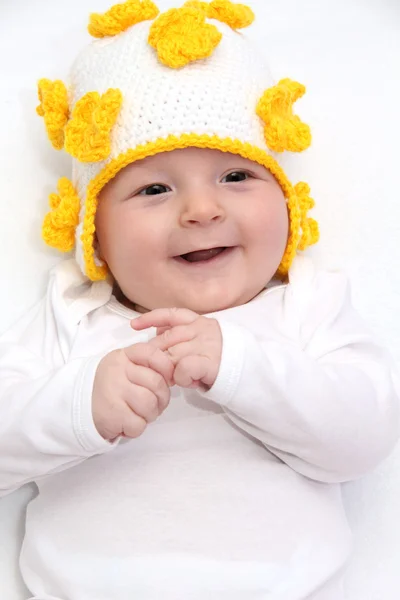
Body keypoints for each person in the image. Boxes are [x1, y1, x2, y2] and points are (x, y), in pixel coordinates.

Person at [0, 1, 398, 598]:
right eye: (153, 187)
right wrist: (80, 405)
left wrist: (242, 367)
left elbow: (363, 439)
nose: (203, 210)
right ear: (94, 233)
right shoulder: (73, 314)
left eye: (237, 176)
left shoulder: (306, 303)